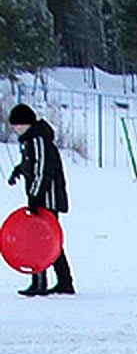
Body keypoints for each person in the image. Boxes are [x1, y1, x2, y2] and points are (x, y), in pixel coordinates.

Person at [7, 103, 74, 296]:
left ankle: (41, 282)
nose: (14, 129)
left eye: (16, 124)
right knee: (49, 239)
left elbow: (44, 168)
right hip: (42, 198)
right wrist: (19, 170)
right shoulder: (32, 140)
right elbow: (33, 164)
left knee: (41, 239)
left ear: (24, 123)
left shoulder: (38, 139)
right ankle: (63, 281)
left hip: (47, 199)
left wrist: (35, 196)